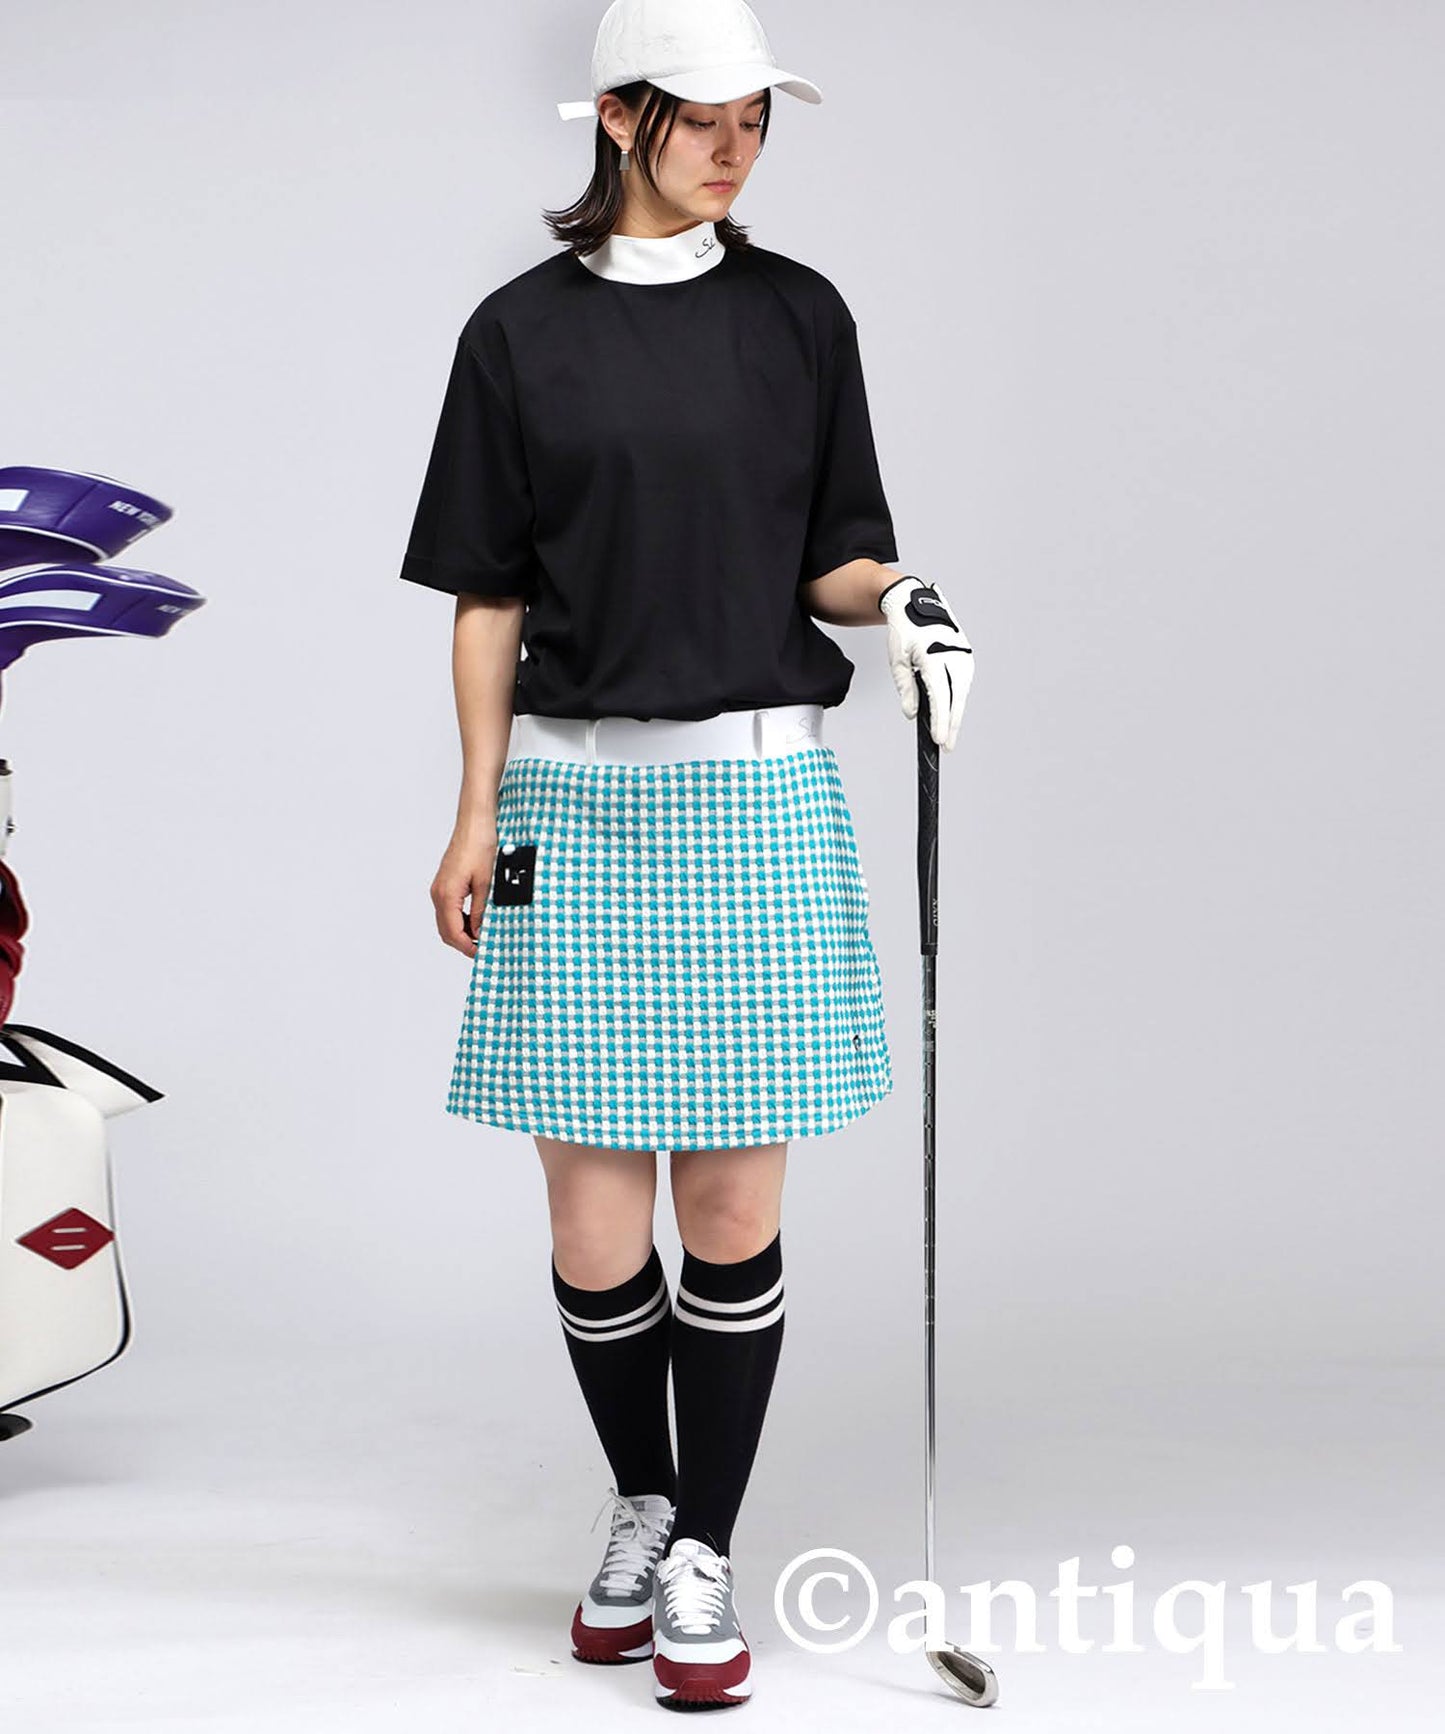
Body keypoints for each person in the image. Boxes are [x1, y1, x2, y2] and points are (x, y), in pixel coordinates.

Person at [397, 0, 973, 1710]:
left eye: (756, 121)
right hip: (570, 805)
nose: (735, 147)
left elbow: (836, 555)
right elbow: (487, 593)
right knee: (594, 1228)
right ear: (618, 116)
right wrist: (472, 806)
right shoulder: (516, 333)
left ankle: (705, 1544)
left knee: (727, 1205)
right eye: (705, 117)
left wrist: (908, 604)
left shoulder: (800, 316)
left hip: (756, 799)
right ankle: (640, 1500)